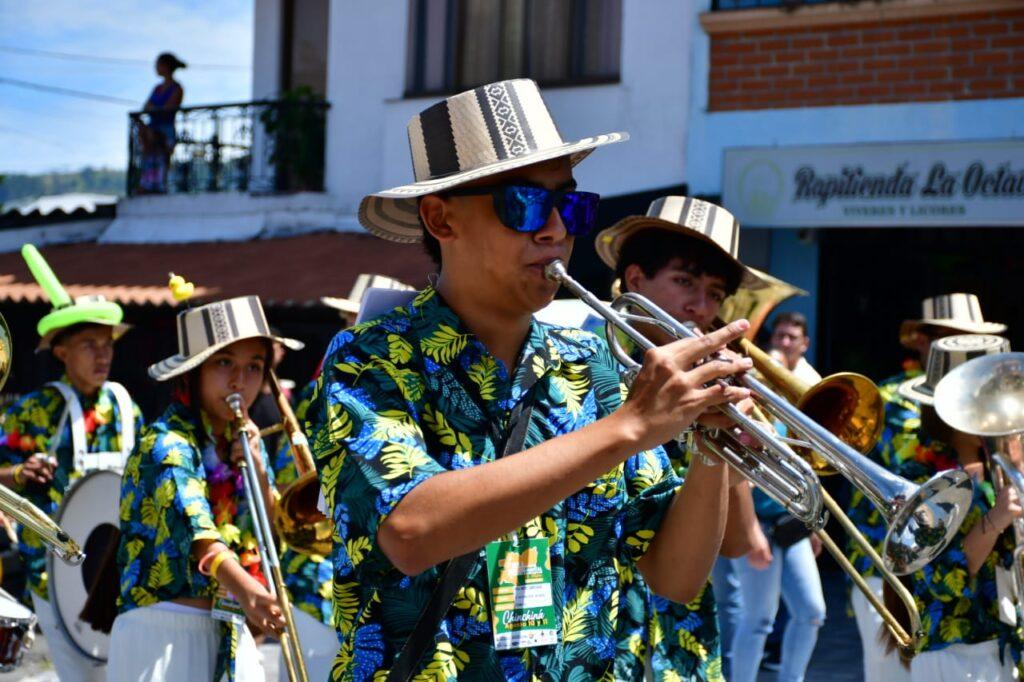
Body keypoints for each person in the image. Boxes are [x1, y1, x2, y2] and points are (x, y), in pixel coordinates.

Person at [306, 78, 756, 679]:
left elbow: (674, 577)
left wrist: (711, 447)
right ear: (440, 218)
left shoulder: (593, 362)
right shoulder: (368, 357)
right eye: (522, 204)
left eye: (571, 206)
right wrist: (629, 426)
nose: (556, 231)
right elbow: (411, 532)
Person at [594, 196, 769, 681]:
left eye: (715, 293)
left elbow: (736, 543)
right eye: (685, 282)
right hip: (600, 647)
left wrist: (730, 444)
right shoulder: (584, 367)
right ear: (635, 280)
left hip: (685, 654)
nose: (701, 307)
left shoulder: (708, 387)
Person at [109, 296, 303, 681]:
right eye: (224, 363)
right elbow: (197, 532)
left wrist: (258, 469)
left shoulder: (245, 442)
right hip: (162, 630)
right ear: (192, 372)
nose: (239, 381)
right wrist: (250, 592)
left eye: (254, 367)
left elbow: (273, 532)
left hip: (229, 623)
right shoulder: (165, 444)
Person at [846, 293, 1007, 682]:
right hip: (900, 569)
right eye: (949, 336)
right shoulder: (892, 406)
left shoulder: (1001, 460)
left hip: (998, 638)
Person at [0, 245, 142, 682]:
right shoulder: (33, 410)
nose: (103, 355)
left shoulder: (126, 407)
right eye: (88, 345)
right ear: (61, 352)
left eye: (107, 345)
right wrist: (17, 474)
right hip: (54, 576)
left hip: (122, 570)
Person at [888, 334, 1023, 680]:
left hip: (1006, 647)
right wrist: (994, 521)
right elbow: (941, 581)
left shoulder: (1004, 468)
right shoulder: (919, 476)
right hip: (954, 656)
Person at [138, 52, 185, 193]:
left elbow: (169, 108)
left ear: (166, 66)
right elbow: (146, 107)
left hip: (165, 130)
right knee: (149, 157)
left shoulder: (177, 88)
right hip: (153, 129)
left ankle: (159, 185)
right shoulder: (157, 88)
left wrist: (155, 108)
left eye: (158, 64)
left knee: (161, 159)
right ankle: (147, 184)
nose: (156, 68)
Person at [768, 311, 821, 385]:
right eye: (780, 335)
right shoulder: (756, 370)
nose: (785, 343)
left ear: (805, 344)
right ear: (772, 339)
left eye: (792, 337)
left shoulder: (812, 381)